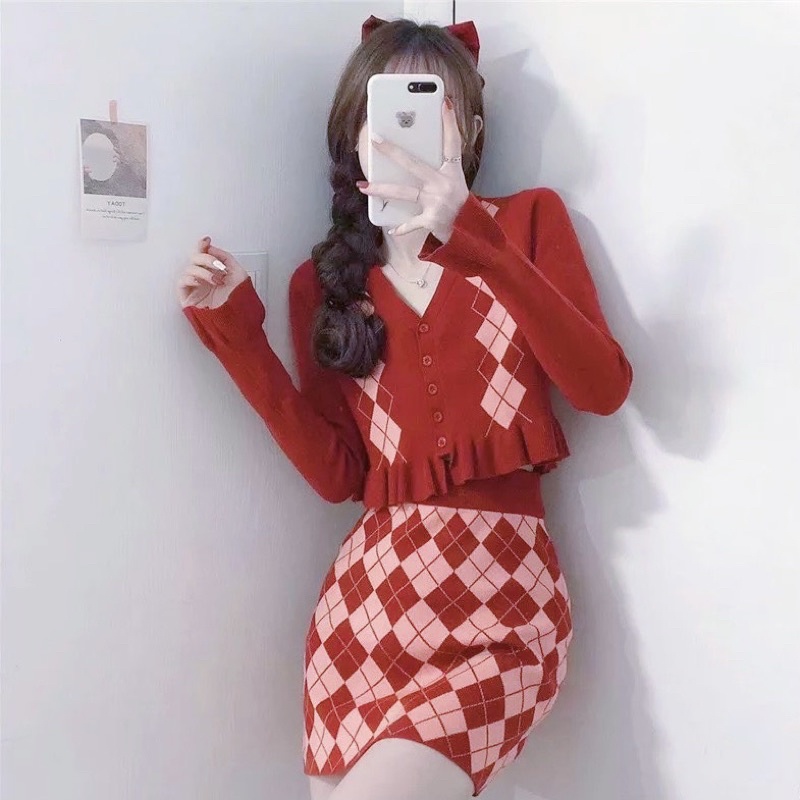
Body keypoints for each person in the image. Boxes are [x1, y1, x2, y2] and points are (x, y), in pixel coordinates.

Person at [177, 15, 632, 800]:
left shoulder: (528, 223)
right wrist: (239, 337)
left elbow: (603, 387)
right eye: (384, 112)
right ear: (353, 137)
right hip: (368, 612)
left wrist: (475, 239)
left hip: (503, 607)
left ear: (471, 129)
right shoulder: (326, 283)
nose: (403, 132)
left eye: (432, 105)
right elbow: (337, 475)